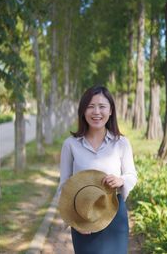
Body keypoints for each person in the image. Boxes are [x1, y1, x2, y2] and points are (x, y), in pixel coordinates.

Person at [58, 85, 137, 254]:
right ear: (83, 111)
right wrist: (73, 220)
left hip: (115, 215)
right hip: (83, 216)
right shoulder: (70, 144)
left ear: (110, 111)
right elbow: (64, 185)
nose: (96, 112)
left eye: (102, 106)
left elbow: (131, 175)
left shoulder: (121, 143)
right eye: (91, 106)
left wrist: (121, 180)